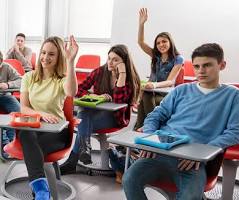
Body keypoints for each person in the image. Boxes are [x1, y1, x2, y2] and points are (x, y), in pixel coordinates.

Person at [122, 43, 239, 200]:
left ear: (222, 65)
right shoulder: (181, 90)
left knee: (190, 196)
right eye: (196, 66)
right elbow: (155, 116)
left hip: (192, 160)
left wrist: (202, 152)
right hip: (159, 152)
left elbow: (236, 133)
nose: (201, 71)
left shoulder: (233, 95)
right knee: (129, 179)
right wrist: (150, 140)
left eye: (207, 65)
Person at [60, 44, 141, 175]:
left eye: (116, 60)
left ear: (124, 63)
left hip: (115, 118)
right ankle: (85, 150)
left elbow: (119, 101)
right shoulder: (100, 71)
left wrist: (122, 74)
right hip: (94, 115)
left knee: (83, 120)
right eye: (109, 58)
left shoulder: (130, 79)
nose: (110, 62)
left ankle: (73, 160)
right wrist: (91, 95)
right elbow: (78, 89)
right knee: (84, 114)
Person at [19, 35, 78, 199]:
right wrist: (41, 114)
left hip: (56, 132)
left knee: (32, 150)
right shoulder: (29, 77)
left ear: (59, 56)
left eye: (51, 54)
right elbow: (23, 107)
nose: (45, 57)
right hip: (32, 128)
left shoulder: (61, 80)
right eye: (43, 52)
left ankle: (40, 191)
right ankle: (42, 190)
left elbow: (72, 92)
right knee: (26, 135)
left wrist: (71, 61)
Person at [134, 8, 184, 130]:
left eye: (164, 41)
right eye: (158, 43)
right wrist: (141, 24)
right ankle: (146, 128)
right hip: (150, 91)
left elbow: (170, 82)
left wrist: (154, 85)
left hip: (165, 94)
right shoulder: (155, 56)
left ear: (170, 42)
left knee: (145, 97)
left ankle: (148, 127)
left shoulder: (178, 59)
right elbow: (140, 42)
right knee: (145, 97)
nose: (161, 45)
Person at [0, 50, 21, 157]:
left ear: (1, 61)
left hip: (4, 96)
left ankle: (11, 140)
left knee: (18, 111)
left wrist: (8, 85)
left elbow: (21, 80)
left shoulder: (6, 67)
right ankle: (4, 142)